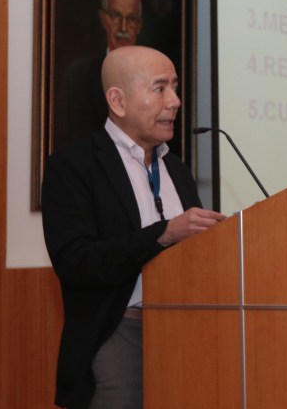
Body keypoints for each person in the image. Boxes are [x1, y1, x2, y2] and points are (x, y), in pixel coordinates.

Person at [41, 46, 225, 409]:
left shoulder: (177, 169)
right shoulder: (73, 167)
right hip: (117, 332)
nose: (175, 101)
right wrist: (164, 233)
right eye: (160, 88)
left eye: (175, 87)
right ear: (118, 101)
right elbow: (76, 262)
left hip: (187, 331)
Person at [53, 0, 145, 150]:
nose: (123, 27)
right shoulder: (77, 75)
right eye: (116, 16)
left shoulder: (153, 77)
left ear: (139, 26)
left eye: (131, 19)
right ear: (103, 19)